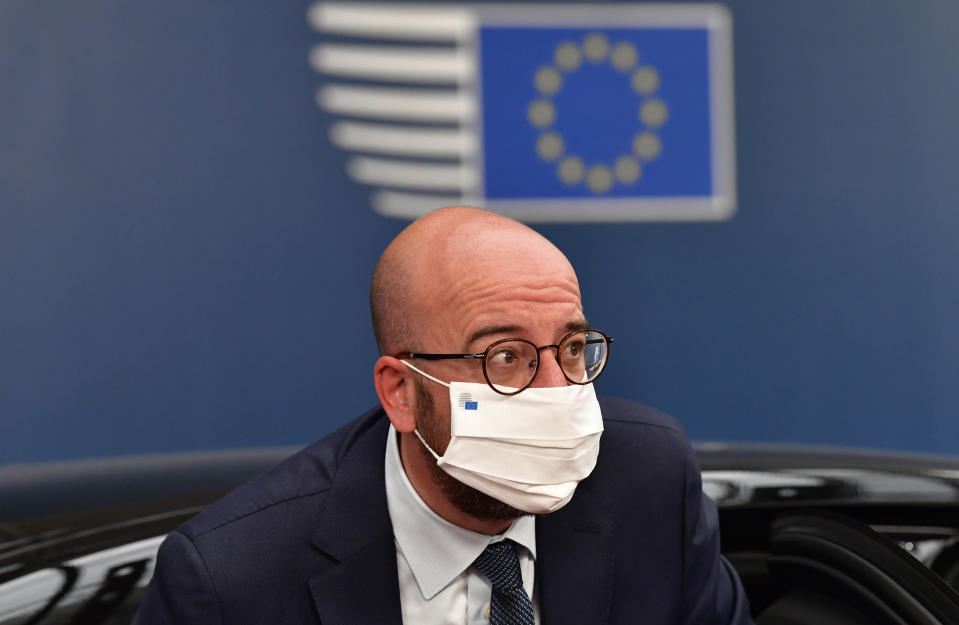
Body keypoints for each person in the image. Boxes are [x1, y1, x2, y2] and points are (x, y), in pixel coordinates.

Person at [134, 206, 754, 624]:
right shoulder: (229, 582)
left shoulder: (648, 479)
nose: (555, 390)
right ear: (401, 391)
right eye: (505, 357)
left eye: (571, 347)